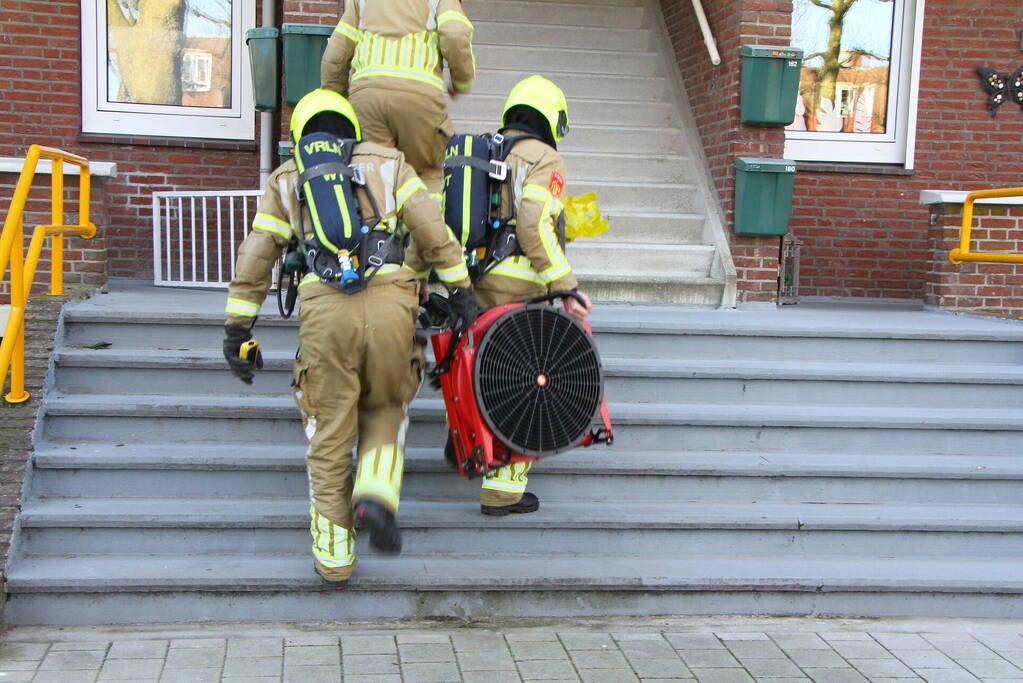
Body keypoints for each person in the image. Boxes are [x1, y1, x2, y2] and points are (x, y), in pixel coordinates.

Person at [222, 88, 476, 588]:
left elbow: (258, 251)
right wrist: (461, 290)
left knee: (329, 427)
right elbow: (432, 228)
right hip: (393, 305)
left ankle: (334, 555)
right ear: (352, 129)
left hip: (324, 312)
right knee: (386, 406)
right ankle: (376, 496)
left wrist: (237, 326)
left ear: (301, 136)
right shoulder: (391, 163)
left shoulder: (286, 179)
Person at [443, 75, 594, 516]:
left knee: (485, 374)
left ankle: (465, 443)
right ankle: (503, 491)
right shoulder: (545, 158)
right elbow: (533, 225)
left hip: (474, 286)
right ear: (552, 119)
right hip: (522, 289)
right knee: (527, 386)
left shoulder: (485, 151)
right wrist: (565, 283)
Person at [320, 0, 476, 195]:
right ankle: (424, 222)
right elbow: (455, 34)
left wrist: (338, 100)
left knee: (374, 175)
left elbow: (335, 55)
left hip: (368, 96)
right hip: (418, 96)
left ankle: (378, 223)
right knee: (427, 174)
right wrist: (461, 81)